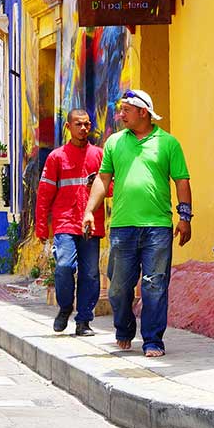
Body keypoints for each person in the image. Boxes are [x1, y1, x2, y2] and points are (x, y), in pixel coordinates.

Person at [84, 88, 191, 357]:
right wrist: (89, 210)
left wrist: (185, 217)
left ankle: (153, 340)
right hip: (122, 226)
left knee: (155, 284)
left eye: (126, 110)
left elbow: (182, 181)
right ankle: (124, 328)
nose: (120, 115)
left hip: (158, 227)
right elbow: (103, 179)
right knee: (118, 287)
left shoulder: (168, 143)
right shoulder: (114, 143)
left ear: (143, 112)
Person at [36, 108, 106, 336]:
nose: (83, 128)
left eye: (87, 124)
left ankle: (84, 321)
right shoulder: (56, 157)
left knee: (90, 274)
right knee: (65, 266)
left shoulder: (99, 155)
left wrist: (95, 185)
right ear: (68, 127)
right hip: (65, 222)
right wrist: (40, 226)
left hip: (91, 223)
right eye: (78, 124)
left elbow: (109, 187)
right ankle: (65, 307)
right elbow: (45, 192)